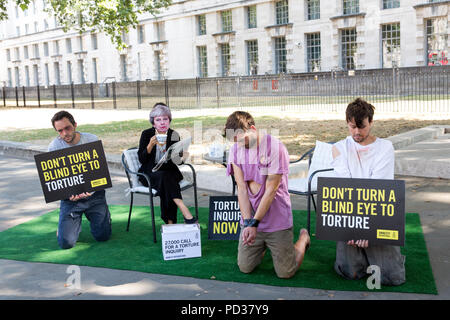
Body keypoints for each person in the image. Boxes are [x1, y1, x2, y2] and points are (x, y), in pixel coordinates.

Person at [225, 111, 310, 279]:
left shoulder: (276, 148)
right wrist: (248, 222)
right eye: (235, 141)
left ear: (253, 129)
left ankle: (303, 238)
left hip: (276, 219)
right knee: (245, 267)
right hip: (252, 221)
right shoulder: (236, 149)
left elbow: (271, 191)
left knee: (286, 273)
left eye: (242, 139)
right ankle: (262, 246)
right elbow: (241, 189)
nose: (239, 145)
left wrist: (254, 223)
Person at [331, 98, 406, 286]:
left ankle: (384, 256)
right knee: (349, 272)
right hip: (350, 215)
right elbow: (343, 188)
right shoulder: (339, 148)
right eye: (352, 127)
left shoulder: (385, 147)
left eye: (362, 127)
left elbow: (378, 189)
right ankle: (364, 257)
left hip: (377, 215)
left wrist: (368, 230)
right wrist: (354, 228)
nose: (356, 132)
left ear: (371, 122)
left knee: (392, 277)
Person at [49, 110, 112, 249]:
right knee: (66, 243)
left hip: (95, 196)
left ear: (75, 125)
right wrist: (67, 194)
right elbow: (56, 179)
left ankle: (104, 217)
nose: (65, 133)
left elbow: (101, 171)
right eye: (60, 131)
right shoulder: (54, 146)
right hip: (71, 201)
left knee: (103, 236)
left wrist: (91, 190)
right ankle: (67, 227)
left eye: (67, 128)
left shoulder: (92, 140)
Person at [137, 102, 196, 224]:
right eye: (158, 120)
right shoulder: (147, 134)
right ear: (153, 122)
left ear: (169, 121)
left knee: (166, 179)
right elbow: (141, 160)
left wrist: (183, 157)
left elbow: (177, 162)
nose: (162, 122)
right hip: (150, 173)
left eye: (165, 119)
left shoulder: (173, 134)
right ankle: (183, 210)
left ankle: (170, 222)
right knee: (166, 180)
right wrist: (150, 145)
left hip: (169, 171)